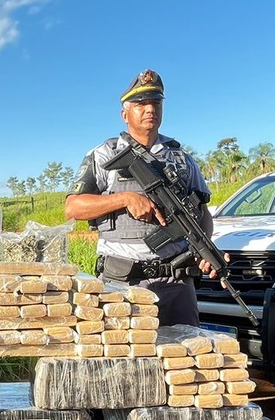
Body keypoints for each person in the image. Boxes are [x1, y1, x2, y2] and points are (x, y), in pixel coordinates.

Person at [64, 69, 213, 327]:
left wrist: (205, 250)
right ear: (125, 115)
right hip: (123, 282)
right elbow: (73, 207)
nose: (149, 109)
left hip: (176, 283)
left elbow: (203, 214)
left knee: (186, 358)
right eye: (141, 104)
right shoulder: (104, 155)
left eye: (155, 103)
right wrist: (124, 199)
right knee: (126, 362)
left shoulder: (181, 159)